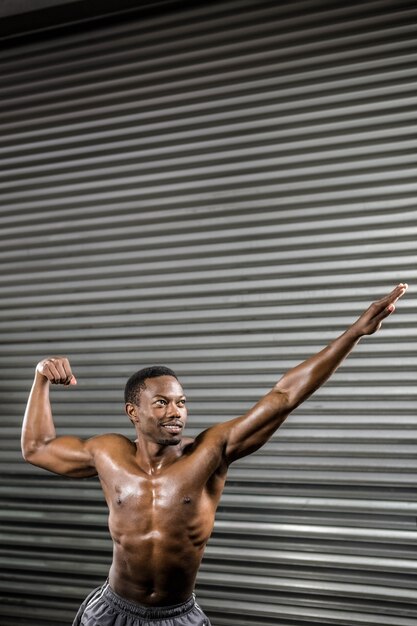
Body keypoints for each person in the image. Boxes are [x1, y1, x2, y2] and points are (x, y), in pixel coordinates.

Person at [21, 283, 408, 626]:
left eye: (182, 402)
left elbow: (284, 396)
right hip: (113, 611)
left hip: (177, 617)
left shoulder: (210, 451)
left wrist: (355, 333)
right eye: (162, 403)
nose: (177, 412)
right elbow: (37, 449)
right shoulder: (108, 454)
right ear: (133, 412)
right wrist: (41, 377)